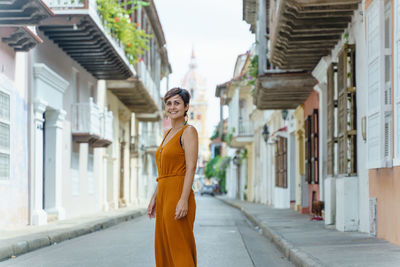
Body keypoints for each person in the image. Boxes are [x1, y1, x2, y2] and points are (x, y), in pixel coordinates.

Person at [147, 87, 198, 267]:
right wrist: (154, 197)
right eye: (168, 103)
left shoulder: (188, 131)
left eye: (177, 103)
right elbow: (163, 171)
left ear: (186, 107)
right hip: (164, 196)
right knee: (164, 246)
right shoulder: (167, 134)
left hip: (178, 194)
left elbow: (191, 167)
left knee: (179, 247)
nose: (172, 107)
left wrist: (183, 199)